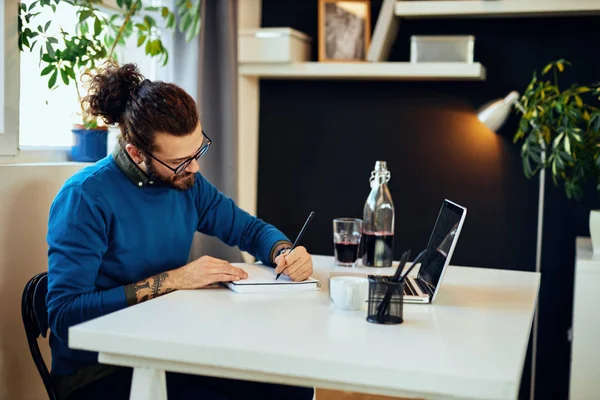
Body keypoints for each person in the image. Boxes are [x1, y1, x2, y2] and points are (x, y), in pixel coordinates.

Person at [46, 61, 314, 400]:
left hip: (167, 347)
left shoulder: (187, 182)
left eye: (198, 149)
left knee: (292, 389)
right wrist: (173, 280)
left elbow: (248, 230)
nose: (195, 166)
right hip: (98, 371)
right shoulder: (85, 197)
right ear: (136, 153)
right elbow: (64, 314)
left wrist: (283, 251)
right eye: (181, 161)